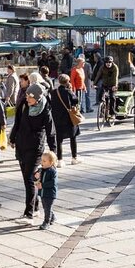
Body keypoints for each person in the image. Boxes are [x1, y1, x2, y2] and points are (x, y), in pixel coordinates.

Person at [11, 82, 56, 219]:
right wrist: (12, 138)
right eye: (27, 96)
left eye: (30, 97)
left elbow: (51, 132)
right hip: (21, 145)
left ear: (37, 98)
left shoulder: (45, 110)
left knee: (30, 178)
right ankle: (35, 207)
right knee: (26, 178)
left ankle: (29, 213)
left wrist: (53, 151)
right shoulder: (24, 106)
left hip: (35, 147)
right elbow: (17, 123)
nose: (27, 99)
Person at [50, 73, 80, 164]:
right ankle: (74, 158)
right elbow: (76, 100)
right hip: (68, 118)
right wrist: (71, 90)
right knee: (73, 137)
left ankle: (60, 160)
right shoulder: (68, 91)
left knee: (59, 139)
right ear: (68, 82)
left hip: (57, 118)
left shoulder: (54, 92)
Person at [35, 150, 59, 230]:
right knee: (46, 207)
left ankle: (46, 222)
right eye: (41, 160)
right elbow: (34, 178)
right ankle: (52, 217)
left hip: (50, 193)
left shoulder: (52, 171)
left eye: (44, 161)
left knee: (47, 208)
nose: (42, 162)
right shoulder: (41, 170)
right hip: (42, 192)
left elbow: (53, 182)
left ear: (51, 162)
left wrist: (43, 185)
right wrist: (36, 176)